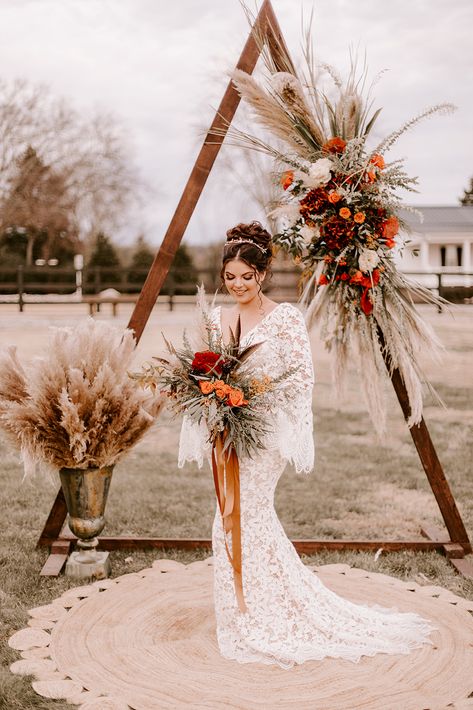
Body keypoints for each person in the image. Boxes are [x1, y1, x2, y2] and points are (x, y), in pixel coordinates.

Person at [178, 221, 435, 668]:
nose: (237, 284)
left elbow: (300, 379)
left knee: (236, 519)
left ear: (262, 274)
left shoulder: (286, 319)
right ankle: (251, 608)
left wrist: (256, 403)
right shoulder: (215, 318)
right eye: (230, 276)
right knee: (231, 518)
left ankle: (262, 612)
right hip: (225, 432)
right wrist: (211, 396)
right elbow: (203, 371)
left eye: (246, 276)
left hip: (265, 434)